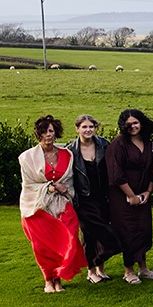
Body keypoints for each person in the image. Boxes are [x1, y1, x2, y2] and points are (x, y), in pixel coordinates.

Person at [18, 115, 88, 293]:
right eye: (44, 131)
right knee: (44, 247)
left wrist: (64, 189)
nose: (48, 135)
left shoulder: (67, 154)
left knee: (70, 238)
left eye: (51, 131)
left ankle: (60, 275)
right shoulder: (27, 158)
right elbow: (29, 184)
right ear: (38, 134)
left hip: (63, 204)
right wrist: (49, 188)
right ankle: (50, 280)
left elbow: (70, 180)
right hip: (38, 208)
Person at [106, 109, 153, 283]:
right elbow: (116, 174)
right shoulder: (118, 145)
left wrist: (147, 192)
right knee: (127, 232)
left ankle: (143, 268)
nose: (133, 127)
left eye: (135, 123)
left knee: (144, 230)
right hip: (122, 197)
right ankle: (128, 271)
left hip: (143, 194)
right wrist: (131, 196)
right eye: (129, 124)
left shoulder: (148, 143)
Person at [65, 114, 120, 283]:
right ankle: (91, 271)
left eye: (91, 127)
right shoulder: (71, 150)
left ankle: (100, 269)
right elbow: (68, 176)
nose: (88, 130)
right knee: (90, 235)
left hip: (103, 196)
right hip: (83, 199)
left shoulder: (103, 144)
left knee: (101, 232)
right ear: (77, 129)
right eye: (84, 127)